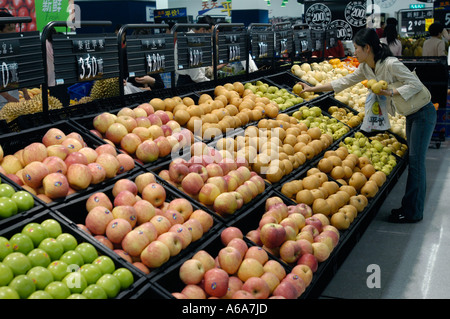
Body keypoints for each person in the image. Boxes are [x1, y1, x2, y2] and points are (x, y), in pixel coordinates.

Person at [299, 28, 437, 223]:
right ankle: (409, 207)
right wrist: (312, 88)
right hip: (411, 115)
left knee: (416, 163)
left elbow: (415, 84)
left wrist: (389, 92)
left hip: (423, 112)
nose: (354, 52)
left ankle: (413, 212)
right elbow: (343, 82)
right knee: (413, 163)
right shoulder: (366, 68)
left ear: (367, 48)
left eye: (356, 48)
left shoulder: (390, 64)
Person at [0, 11, 30, 109]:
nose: (14, 32)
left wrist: (25, 93)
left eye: (14, 28)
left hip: (14, 99)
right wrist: (8, 97)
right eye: (10, 29)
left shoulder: (13, 48)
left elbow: (18, 71)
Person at [175, 15, 215, 86]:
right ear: (203, 30)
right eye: (210, 33)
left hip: (191, 80)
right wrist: (211, 84)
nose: (210, 36)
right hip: (188, 83)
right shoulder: (190, 41)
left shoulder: (192, 39)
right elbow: (195, 76)